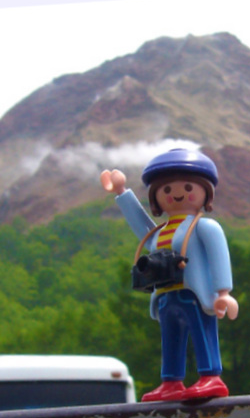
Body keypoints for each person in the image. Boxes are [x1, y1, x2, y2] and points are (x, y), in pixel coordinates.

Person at [100, 148, 238, 401]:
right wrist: (121, 192)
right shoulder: (158, 233)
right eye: (166, 189)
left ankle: (211, 376)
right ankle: (171, 381)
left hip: (193, 293)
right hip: (165, 294)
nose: (176, 194)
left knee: (202, 331)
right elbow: (139, 223)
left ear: (205, 191)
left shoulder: (203, 226)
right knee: (170, 338)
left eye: (188, 187)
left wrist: (223, 292)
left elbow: (218, 255)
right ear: (156, 196)